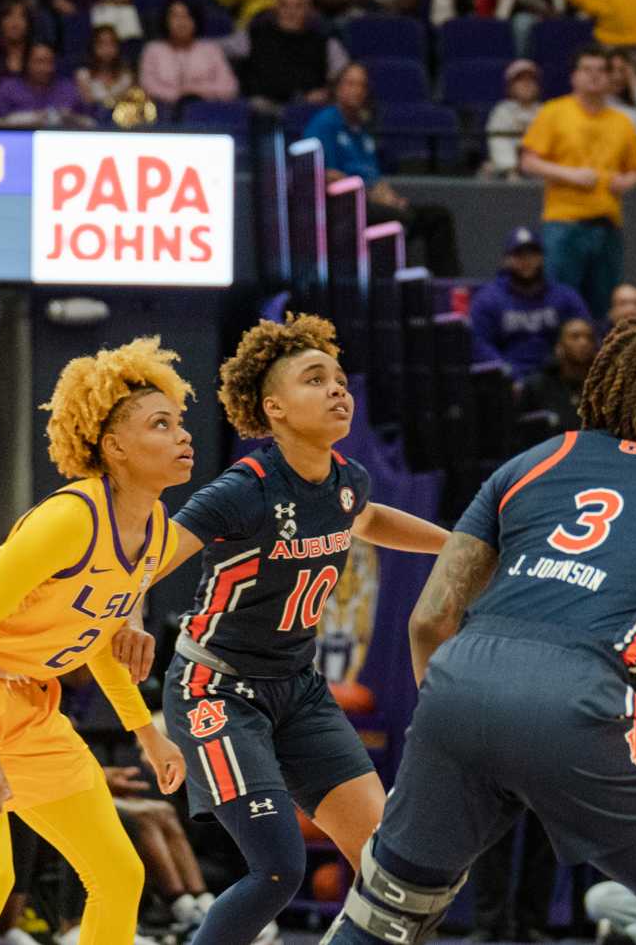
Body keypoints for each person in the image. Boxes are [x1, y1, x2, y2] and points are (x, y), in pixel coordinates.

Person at [327, 322, 636, 945]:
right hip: (576, 693)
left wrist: (450, 715)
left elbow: (430, 619)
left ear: (598, 387)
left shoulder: (533, 462)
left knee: (386, 914)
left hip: (462, 677)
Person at [149, 315, 446, 945]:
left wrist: (459, 549)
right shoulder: (243, 490)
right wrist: (124, 618)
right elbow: (150, 563)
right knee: (278, 870)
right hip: (217, 689)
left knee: (390, 863)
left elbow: (367, 519)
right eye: (316, 380)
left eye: (340, 379)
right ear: (274, 407)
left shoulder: (346, 481)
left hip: (298, 687)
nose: (338, 390)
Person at [0, 338, 191, 945]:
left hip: (25, 694)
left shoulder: (156, 531)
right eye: (162, 424)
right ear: (116, 447)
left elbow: (99, 640)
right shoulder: (69, 519)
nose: (183, 435)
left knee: (118, 871)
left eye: (180, 422)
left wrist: (148, 735)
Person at [517, 46, 636, 317]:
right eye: (587, 70)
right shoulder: (554, 112)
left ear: (611, 78)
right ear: (574, 76)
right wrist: (569, 175)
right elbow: (528, 161)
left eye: (602, 70)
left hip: (607, 224)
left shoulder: (622, 122)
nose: (594, 77)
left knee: (605, 305)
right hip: (565, 223)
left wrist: (626, 182)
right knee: (561, 301)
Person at [306, 62, 461, 275]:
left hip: (372, 203)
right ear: (338, 88)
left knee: (438, 216)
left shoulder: (362, 131)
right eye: (351, 83)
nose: (357, 90)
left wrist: (392, 197)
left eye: (362, 85)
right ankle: (398, 289)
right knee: (397, 217)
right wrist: (370, 194)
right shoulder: (325, 123)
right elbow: (324, 174)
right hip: (344, 208)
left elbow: (374, 176)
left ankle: (446, 290)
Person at [468, 227, 594, 386]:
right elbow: (478, 342)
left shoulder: (564, 296)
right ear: (506, 260)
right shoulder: (488, 299)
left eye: (532, 254)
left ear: (541, 258)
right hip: (507, 380)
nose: (526, 261)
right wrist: (504, 371)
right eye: (519, 255)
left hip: (557, 379)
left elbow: (585, 330)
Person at [139, 0, 239, 108]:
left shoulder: (211, 49)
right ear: (165, 21)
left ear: (195, 21)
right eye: (175, 16)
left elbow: (230, 86)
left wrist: (196, 92)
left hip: (208, 108)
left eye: (187, 16)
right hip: (164, 111)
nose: (181, 22)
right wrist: (179, 96)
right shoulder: (153, 50)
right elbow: (147, 86)